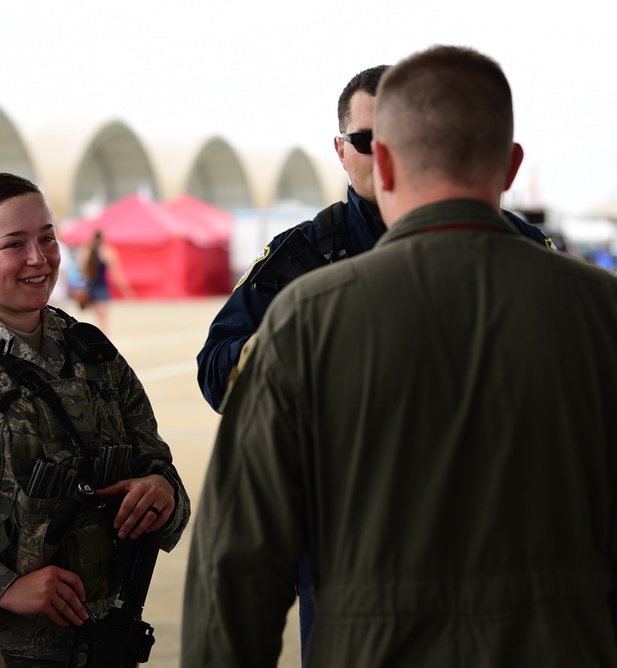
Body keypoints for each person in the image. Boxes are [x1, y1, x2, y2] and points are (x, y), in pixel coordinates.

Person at [182, 45, 617, 667]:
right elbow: (216, 366)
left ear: (382, 160)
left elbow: (235, 561)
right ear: (513, 164)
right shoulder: (598, 308)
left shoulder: (306, 319)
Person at [0, 172, 190, 667]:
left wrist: (161, 493)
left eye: (47, 238)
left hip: (106, 637)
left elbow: (162, 470)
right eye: (15, 244)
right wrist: (4, 587)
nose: (39, 258)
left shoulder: (95, 355)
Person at [196, 64, 556, 413]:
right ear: (341, 151)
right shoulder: (300, 253)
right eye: (366, 140)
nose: (386, 155)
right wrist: (298, 346)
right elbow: (215, 370)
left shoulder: (516, 241)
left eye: (403, 139)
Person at [76, 228, 133, 334]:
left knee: (97, 318)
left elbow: (81, 271)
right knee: (103, 320)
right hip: (101, 288)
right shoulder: (107, 251)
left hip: (90, 288)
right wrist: (125, 290)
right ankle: (101, 343)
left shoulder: (85, 250)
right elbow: (116, 274)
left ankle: (97, 341)